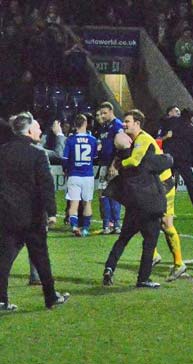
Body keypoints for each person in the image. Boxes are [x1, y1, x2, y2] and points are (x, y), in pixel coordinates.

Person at [0, 112, 69, 311]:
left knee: (4, 258)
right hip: (31, 217)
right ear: (30, 130)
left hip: (6, 215)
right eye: (37, 127)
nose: (40, 130)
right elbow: (46, 185)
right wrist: (52, 212)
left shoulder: (2, 151)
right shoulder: (37, 153)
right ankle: (50, 296)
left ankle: (2, 299)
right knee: (41, 257)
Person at [102, 110, 170, 288]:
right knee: (150, 242)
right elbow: (158, 161)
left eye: (127, 122)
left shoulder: (124, 155)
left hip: (134, 205)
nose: (124, 125)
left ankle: (109, 268)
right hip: (149, 203)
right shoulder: (141, 151)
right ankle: (143, 278)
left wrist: (117, 165)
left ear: (137, 124)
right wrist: (167, 158)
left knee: (123, 238)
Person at [162, 108, 193, 219]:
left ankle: (163, 209)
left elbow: (163, 122)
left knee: (166, 184)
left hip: (170, 158)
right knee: (191, 184)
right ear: (191, 117)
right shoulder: (192, 130)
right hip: (184, 160)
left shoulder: (173, 123)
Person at [62, 114, 98, 237]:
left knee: (74, 203)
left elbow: (65, 158)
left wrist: (65, 169)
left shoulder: (70, 140)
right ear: (85, 123)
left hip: (74, 175)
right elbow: (94, 157)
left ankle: (74, 226)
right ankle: (86, 229)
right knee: (87, 203)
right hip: (88, 175)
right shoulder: (92, 140)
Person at [97, 102, 124, 234]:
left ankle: (117, 224)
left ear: (111, 111)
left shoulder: (117, 125)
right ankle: (107, 224)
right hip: (103, 164)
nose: (102, 115)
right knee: (103, 195)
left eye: (105, 113)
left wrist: (114, 164)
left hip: (113, 165)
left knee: (114, 195)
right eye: (101, 113)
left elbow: (120, 147)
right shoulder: (104, 127)